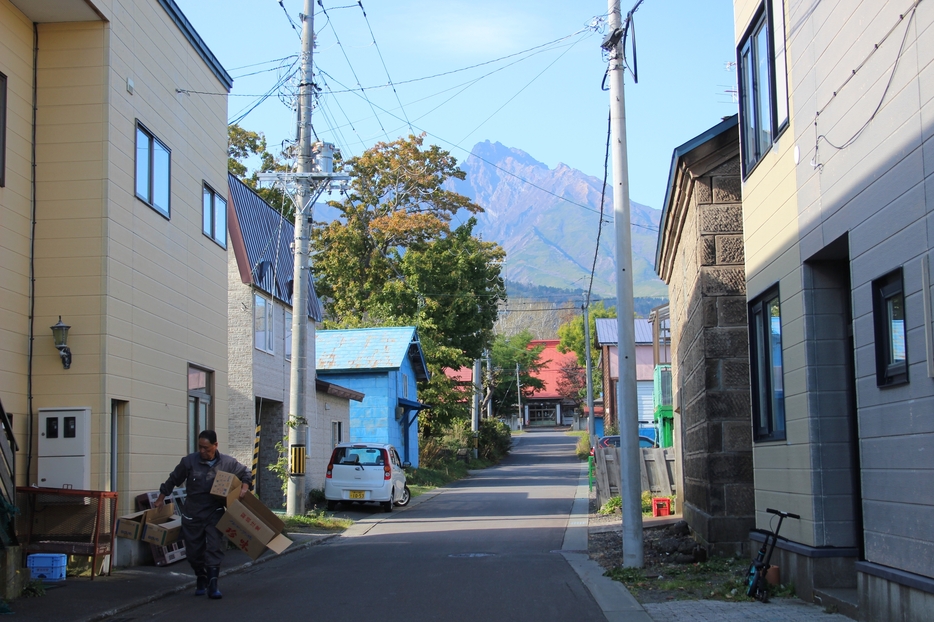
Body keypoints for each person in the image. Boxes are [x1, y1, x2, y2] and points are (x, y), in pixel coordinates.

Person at [155, 430, 251, 599]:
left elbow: (245, 473)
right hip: (192, 513)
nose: (203, 451)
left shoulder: (227, 463)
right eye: (200, 447)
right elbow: (172, 480)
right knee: (193, 553)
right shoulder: (189, 462)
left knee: (214, 548)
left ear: (215, 446)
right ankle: (201, 576)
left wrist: (244, 487)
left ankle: (213, 585)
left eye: (206, 448)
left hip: (215, 512)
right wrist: (161, 498)